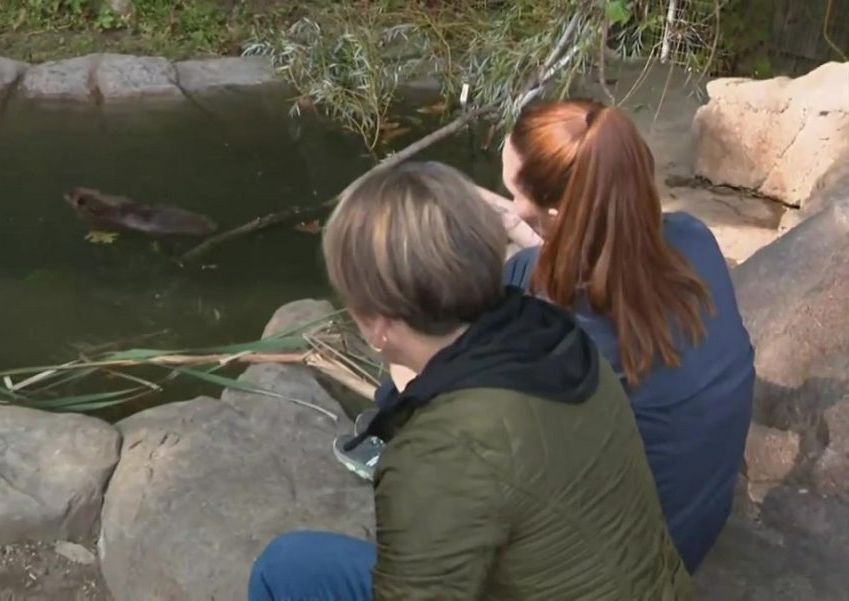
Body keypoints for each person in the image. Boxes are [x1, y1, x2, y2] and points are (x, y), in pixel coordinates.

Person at [338, 98, 756, 574]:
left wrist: (395, 344)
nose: (506, 197)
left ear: (557, 211)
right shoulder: (693, 237)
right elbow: (598, 260)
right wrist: (523, 225)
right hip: (693, 527)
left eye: (512, 188)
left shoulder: (554, 338)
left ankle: (384, 439)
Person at [249, 160, 693, 600]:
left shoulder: (438, 454)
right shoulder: (558, 340)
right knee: (290, 565)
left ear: (378, 325)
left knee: (282, 571)